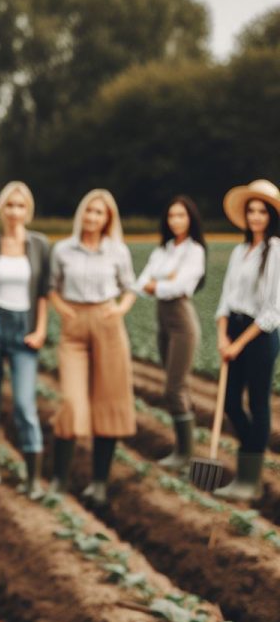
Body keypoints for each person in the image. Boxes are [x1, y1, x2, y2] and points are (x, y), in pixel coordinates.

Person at [49, 189, 137, 505]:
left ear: (107, 218)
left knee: (108, 402)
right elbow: (51, 288)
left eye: (99, 213)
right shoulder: (63, 250)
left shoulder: (118, 251)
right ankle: (60, 479)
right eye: (89, 211)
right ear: (81, 214)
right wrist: (63, 309)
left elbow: (130, 288)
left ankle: (99, 482)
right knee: (71, 402)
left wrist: (119, 310)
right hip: (74, 327)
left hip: (107, 322)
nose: (93, 218)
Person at [0, 181, 49, 496]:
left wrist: (41, 329)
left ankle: (32, 477)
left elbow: (43, 292)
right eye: (9, 206)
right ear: (1, 210)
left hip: (25, 329)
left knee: (24, 404)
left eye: (20, 206)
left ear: (27, 210)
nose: (15, 211)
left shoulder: (40, 245)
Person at [214, 179, 280, 501]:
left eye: (262, 212)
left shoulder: (277, 252)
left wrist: (239, 344)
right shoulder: (240, 251)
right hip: (235, 329)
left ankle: (249, 480)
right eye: (251, 211)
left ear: (271, 216)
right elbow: (226, 297)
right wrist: (222, 334)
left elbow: (273, 311)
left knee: (257, 403)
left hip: (261, 336)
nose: (256, 217)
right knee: (229, 402)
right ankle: (250, 456)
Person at [134, 196, 206, 470]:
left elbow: (182, 287)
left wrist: (158, 284)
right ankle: (185, 449)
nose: (176, 221)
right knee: (178, 386)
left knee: (173, 388)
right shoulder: (162, 251)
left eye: (182, 216)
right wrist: (164, 281)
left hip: (182, 322)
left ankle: (184, 454)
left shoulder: (195, 251)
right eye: (172, 216)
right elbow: (142, 284)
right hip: (163, 321)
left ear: (191, 219)